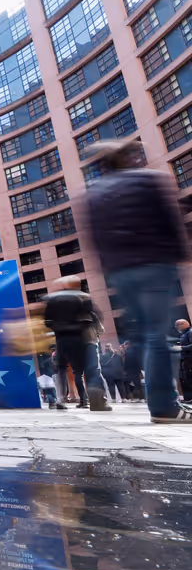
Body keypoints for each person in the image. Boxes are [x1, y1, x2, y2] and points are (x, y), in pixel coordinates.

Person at [86, 140, 192, 423]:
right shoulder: (151, 180)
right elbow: (172, 222)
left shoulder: (95, 193)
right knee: (158, 336)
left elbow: (95, 237)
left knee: (145, 335)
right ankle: (165, 406)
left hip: (121, 271)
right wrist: (181, 258)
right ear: (129, 159)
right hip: (155, 265)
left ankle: (162, 403)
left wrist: (109, 270)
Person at [42, 276, 110, 411]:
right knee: (92, 369)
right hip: (85, 339)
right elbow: (95, 317)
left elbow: (47, 321)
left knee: (73, 371)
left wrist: (59, 328)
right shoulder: (83, 297)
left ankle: (71, 400)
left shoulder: (53, 300)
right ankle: (98, 401)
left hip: (64, 339)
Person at [177, 319, 192, 403]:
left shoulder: (190, 332)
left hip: (190, 359)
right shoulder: (184, 334)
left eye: (178, 325)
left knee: (190, 378)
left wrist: (182, 348)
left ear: (185, 324)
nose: (177, 327)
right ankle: (188, 397)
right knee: (186, 379)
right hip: (185, 359)